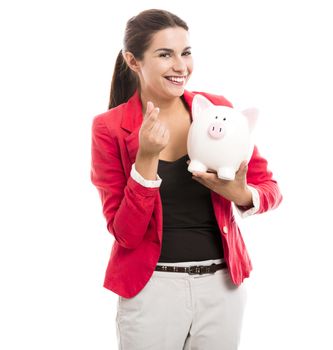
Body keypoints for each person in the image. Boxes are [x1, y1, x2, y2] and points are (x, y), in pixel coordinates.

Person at [90, 8, 282, 350]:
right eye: (165, 55)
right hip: (151, 290)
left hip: (222, 288)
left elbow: (269, 188)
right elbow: (125, 234)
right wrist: (146, 157)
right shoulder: (109, 128)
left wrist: (240, 193)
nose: (181, 66)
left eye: (186, 52)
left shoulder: (216, 109)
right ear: (133, 62)